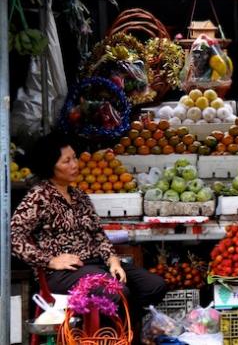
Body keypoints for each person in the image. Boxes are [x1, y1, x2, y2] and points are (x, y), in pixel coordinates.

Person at [11, 131, 167, 315]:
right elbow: (14, 236)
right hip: (63, 274)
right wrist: (50, 261)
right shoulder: (39, 196)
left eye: (75, 158)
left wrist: (113, 260)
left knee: (154, 286)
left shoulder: (80, 196)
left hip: (96, 264)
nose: (75, 165)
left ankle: (118, 328)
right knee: (116, 292)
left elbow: (98, 235)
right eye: (66, 161)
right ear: (50, 166)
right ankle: (110, 333)